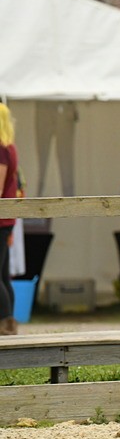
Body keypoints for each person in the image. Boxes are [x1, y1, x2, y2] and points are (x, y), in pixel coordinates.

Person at [0, 103, 19, 335]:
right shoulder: (9, 147)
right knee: (3, 275)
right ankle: (9, 322)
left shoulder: (1, 149)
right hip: (6, 220)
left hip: (1, 219)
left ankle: (4, 323)